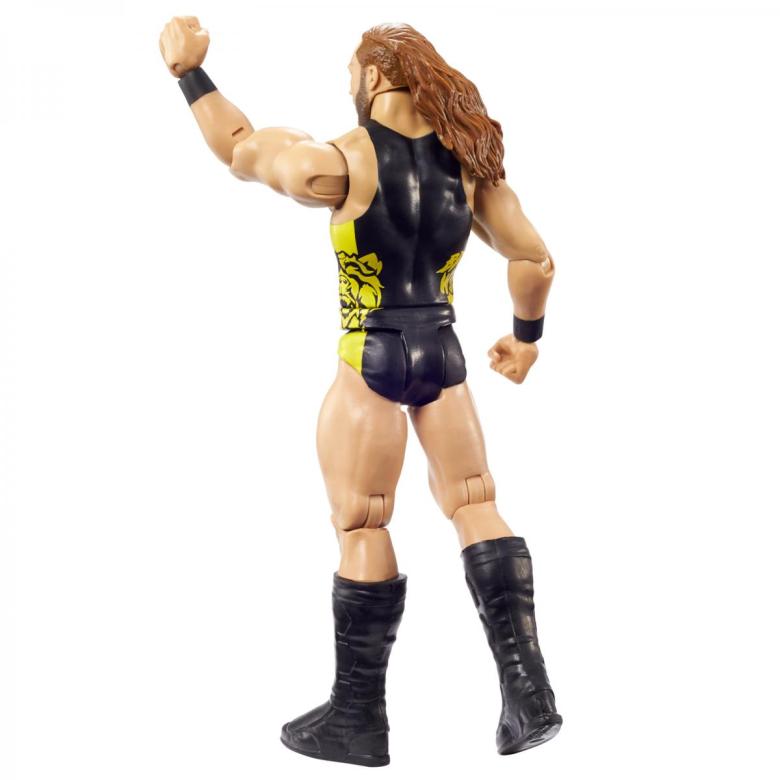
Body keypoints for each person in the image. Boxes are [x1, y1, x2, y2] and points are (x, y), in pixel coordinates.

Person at [159, 18, 562, 767]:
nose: (350, 82)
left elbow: (240, 148)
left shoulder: (341, 160)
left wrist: (189, 73)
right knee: (474, 503)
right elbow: (534, 259)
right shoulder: (468, 165)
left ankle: (357, 717)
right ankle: (529, 691)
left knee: (363, 521)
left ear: (374, 75)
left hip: (370, 355)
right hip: (443, 355)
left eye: (352, 71)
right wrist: (525, 338)